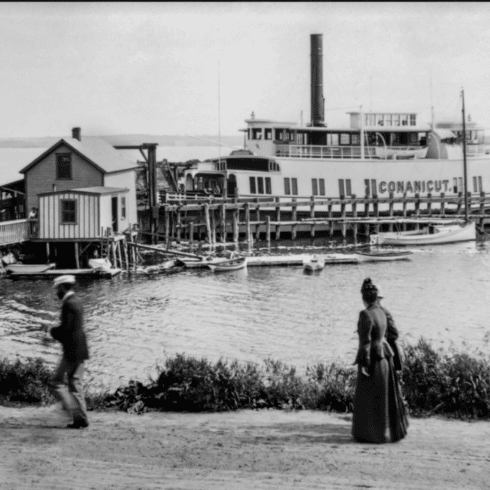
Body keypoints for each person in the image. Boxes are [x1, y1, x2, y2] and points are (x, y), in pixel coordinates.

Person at [352, 278, 408, 443]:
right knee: (384, 396)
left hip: (373, 359)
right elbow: (390, 334)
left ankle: (369, 434)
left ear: (364, 297)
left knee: (368, 397)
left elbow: (365, 343)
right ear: (377, 297)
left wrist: (364, 364)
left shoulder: (365, 314)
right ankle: (386, 432)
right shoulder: (382, 312)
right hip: (385, 358)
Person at [48, 275, 90, 429]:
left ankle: (71, 410)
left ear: (62, 287)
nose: (56, 292)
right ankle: (80, 418)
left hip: (71, 351)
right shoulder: (77, 301)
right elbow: (73, 329)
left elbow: (66, 330)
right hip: (80, 349)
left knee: (56, 383)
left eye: (57, 289)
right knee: (75, 384)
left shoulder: (68, 304)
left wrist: (51, 331)